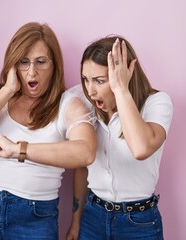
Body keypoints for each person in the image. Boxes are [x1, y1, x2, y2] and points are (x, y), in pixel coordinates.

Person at [0, 22, 96, 240]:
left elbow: (85, 152)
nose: (32, 71)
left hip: (35, 217)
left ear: (54, 65)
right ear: (13, 65)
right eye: (23, 62)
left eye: (41, 62)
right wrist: (8, 90)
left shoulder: (68, 104)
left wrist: (18, 150)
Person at [66, 36, 173, 240]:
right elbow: (81, 166)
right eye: (86, 79)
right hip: (92, 217)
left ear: (125, 75)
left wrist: (121, 90)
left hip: (139, 223)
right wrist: (76, 221)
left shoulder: (157, 103)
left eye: (99, 80)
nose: (90, 90)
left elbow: (141, 149)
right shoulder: (86, 106)